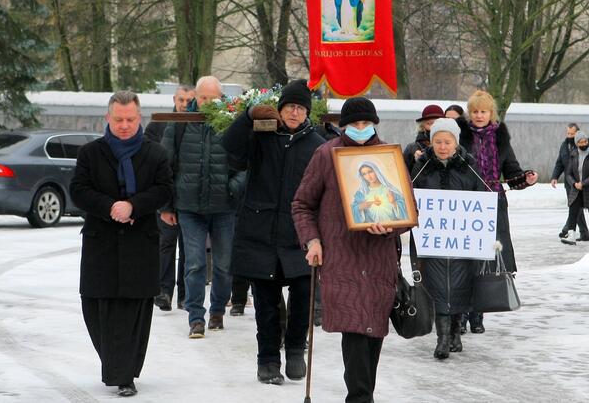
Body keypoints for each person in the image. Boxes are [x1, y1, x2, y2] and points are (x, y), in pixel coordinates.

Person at [292, 97, 410, 403]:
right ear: (343, 126)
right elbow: (302, 204)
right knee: (355, 328)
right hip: (342, 257)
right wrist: (312, 240)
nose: (361, 129)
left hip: (379, 259)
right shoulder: (326, 155)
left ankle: (362, 395)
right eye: (355, 124)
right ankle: (359, 398)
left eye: (366, 123)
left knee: (374, 331)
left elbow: (409, 210)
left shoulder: (387, 157)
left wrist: (391, 225)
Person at [222, 79, 325, 385]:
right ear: (280, 110)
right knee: (265, 305)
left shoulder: (317, 146)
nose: (294, 113)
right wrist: (248, 115)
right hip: (260, 233)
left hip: (299, 235)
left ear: (307, 112)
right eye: (290, 106)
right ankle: (267, 360)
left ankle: (295, 348)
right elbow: (229, 147)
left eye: (300, 108)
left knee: (303, 296)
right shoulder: (263, 135)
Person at [70, 91, 173, 397]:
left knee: (133, 312)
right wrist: (111, 207)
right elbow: (78, 190)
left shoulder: (155, 153)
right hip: (100, 244)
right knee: (95, 308)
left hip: (140, 244)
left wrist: (133, 206)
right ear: (108, 118)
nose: (125, 125)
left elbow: (164, 190)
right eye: (119, 120)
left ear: (138, 118)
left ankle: (124, 374)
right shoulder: (91, 153)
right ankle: (116, 364)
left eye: (130, 119)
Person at [160, 76, 245, 338]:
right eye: (204, 97)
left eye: (214, 98)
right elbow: (165, 166)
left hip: (224, 207)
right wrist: (166, 205)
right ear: (196, 96)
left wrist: (233, 187)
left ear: (222, 97)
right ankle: (195, 316)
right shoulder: (180, 124)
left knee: (222, 264)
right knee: (194, 264)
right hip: (189, 207)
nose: (208, 103)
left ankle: (217, 310)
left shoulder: (231, 124)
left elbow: (247, 164)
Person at [457, 90, 537, 335]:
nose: (479, 116)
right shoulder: (460, 135)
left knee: (486, 260)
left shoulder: (500, 138)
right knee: (463, 261)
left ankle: (477, 314)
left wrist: (526, 178)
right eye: (475, 112)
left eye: (484, 111)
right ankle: (459, 314)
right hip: (465, 203)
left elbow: (511, 171)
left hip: (492, 204)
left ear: (491, 114)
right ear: (469, 114)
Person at [411, 118, 484, 359]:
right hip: (433, 242)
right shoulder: (422, 165)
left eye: (448, 142)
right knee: (439, 288)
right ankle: (442, 339)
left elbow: (483, 198)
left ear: (456, 142)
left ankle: (455, 333)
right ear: (432, 142)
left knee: (460, 287)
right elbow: (410, 196)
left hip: (462, 242)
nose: (443, 146)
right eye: (438, 142)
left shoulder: (469, 166)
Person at [145, 84, 195, 311]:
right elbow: (146, 152)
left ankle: (184, 295)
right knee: (165, 245)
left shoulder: (198, 124)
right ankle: (164, 292)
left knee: (188, 248)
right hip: (164, 193)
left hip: (189, 197)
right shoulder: (159, 122)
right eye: (181, 99)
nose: (184, 104)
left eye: (188, 100)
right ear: (174, 99)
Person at [561, 131, 589, 246]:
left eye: (585, 141)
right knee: (573, 211)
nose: (583, 143)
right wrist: (574, 183)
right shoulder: (573, 154)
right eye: (580, 142)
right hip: (576, 188)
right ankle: (571, 235)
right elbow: (568, 173)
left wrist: (583, 183)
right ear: (576, 143)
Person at [551, 123, 589, 243]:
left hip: (581, 182)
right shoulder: (564, 145)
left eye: (572, 134)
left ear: (577, 133)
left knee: (575, 207)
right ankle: (583, 234)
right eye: (568, 133)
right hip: (569, 182)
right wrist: (555, 176)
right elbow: (559, 163)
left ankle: (567, 229)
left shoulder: (585, 144)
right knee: (575, 207)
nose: (569, 136)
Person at [403, 104, 444, 171]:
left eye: (437, 122)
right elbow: (404, 174)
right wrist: (415, 161)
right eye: (429, 123)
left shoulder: (453, 146)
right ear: (423, 126)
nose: (433, 127)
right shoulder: (412, 148)